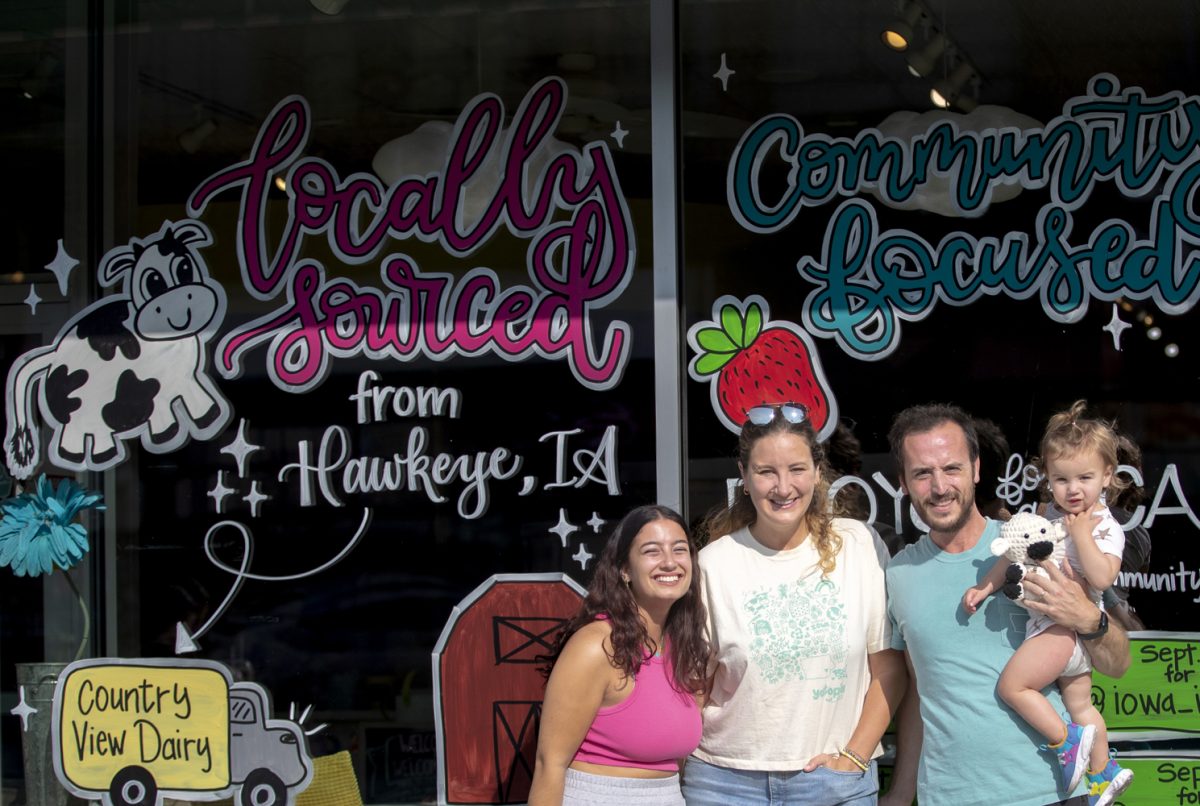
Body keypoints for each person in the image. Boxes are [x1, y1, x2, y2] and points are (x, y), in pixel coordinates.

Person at [881, 404, 1131, 806]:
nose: (940, 486)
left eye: (952, 468)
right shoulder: (898, 574)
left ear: (976, 469)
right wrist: (902, 791)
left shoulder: (1036, 539)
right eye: (922, 473)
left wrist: (1090, 620)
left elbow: (1118, 664)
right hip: (949, 796)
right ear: (904, 483)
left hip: (1051, 792)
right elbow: (918, 694)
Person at [683, 403, 906, 806]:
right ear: (744, 477)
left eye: (797, 469)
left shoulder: (858, 546)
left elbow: (888, 669)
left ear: (818, 473)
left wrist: (854, 757)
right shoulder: (713, 564)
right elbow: (693, 689)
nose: (783, 487)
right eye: (766, 471)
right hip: (724, 784)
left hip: (835, 780)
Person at [963, 401, 1133, 805]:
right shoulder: (1046, 513)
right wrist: (985, 588)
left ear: (1108, 476)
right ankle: (1102, 773)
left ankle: (1065, 743)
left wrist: (1082, 535)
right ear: (1047, 479)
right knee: (1083, 707)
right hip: (1064, 639)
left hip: (1061, 632)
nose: (1073, 490)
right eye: (1061, 479)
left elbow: (1103, 578)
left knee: (1013, 686)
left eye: (1085, 478)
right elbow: (1011, 554)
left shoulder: (1105, 526)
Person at [529, 504, 709, 806]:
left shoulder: (686, 650)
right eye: (652, 551)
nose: (669, 562)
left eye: (679, 550)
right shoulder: (596, 645)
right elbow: (550, 765)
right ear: (625, 570)